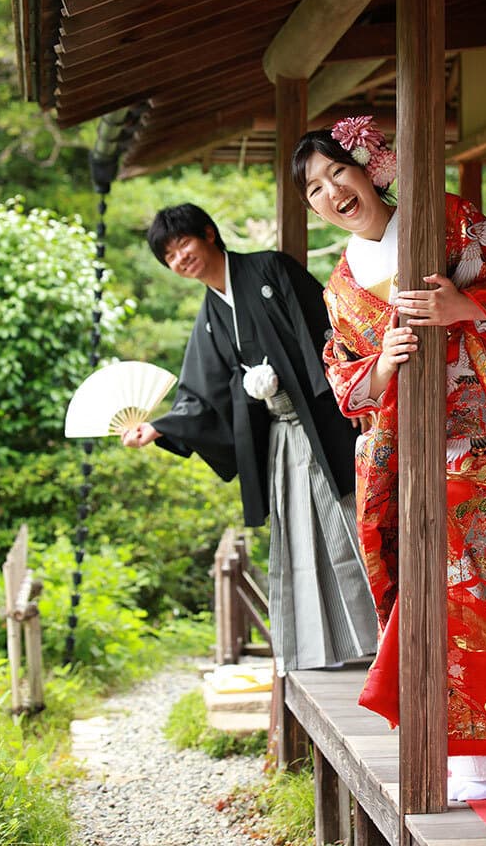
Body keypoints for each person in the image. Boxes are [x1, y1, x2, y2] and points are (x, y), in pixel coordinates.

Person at [291, 117, 486, 801]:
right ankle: (458, 754)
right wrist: (382, 366)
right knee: (433, 597)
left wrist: (465, 305)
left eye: (337, 170)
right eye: (314, 189)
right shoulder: (341, 287)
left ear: (370, 167)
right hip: (414, 461)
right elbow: (346, 378)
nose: (330, 190)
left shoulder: (449, 222)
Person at [122, 203, 378, 676]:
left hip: (328, 423)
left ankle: (392, 634)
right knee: (302, 536)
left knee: (351, 523)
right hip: (282, 439)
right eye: (170, 256)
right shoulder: (210, 319)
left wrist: (357, 399)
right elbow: (201, 395)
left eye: (184, 245)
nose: (181, 258)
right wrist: (160, 426)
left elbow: (329, 332)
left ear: (209, 233)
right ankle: (338, 645)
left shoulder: (270, 268)